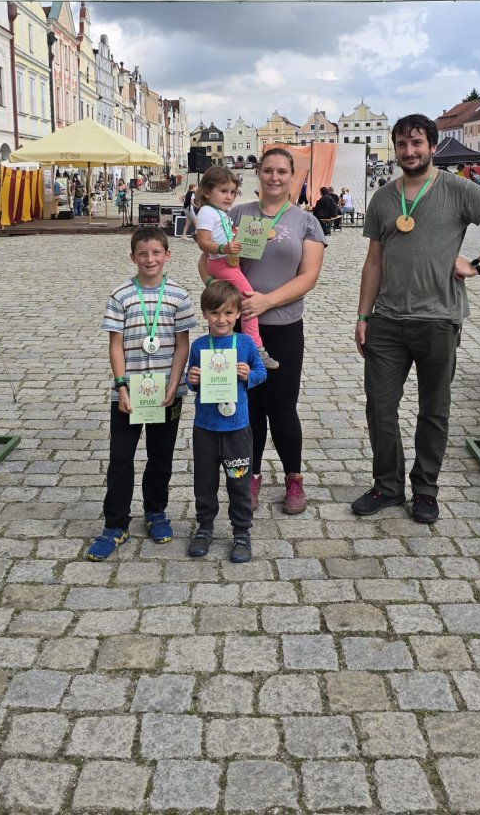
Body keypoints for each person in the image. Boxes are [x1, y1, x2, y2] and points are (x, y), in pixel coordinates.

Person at [354, 113, 480, 525]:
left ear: (432, 146)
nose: (409, 151)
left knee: (434, 409)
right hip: (387, 320)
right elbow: (373, 262)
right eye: (402, 144)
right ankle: (387, 486)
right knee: (380, 407)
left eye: (417, 143)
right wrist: (363, 315)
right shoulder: (383, 198)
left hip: (439, 319)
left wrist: (478, 265)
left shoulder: (459, 189)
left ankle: (425, 490)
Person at [201, 148, 326, 515]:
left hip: (283, 326)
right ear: (259, 174)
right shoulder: (236, 214)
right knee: (249, 407)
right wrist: (226, 302)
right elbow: (207, 262)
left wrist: (266, 301)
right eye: (268, 170)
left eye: (282, 171)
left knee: (283, 407)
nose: (274, 177)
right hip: (239, 330)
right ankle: (250, 477)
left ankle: (293, 479)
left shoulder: (306, 221)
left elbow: (309, 276)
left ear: (292, 176)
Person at [87, 226, 196, 559]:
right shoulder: (121, 295)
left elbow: (182, 344)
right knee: (121, 459)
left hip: (166, 392)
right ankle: (115, 525)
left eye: (156, 253)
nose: (150, 259)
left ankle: (156, 512)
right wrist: (121, 386)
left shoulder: (178, 295)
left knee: (161, 456)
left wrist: (174, 384)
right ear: (133, 257)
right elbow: (115, 344)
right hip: (129, 393)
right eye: (143, 254)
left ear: (167, 255)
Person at [186, 280, 267, 563]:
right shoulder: (199, 346)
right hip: (206, 428)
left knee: (239, 482)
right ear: (205, 314)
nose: (222, 319)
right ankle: (204, 527)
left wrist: (248, 375)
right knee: (204, 482)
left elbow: (261, 372)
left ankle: (242, 532)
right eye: (215, 313)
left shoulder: (244, 344)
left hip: (237, 428)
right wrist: (192, 380)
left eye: (228, 313)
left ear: (238, 314)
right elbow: (191, 380)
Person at [195, 166, 279, 370]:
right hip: (222, 264)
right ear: (207, 192)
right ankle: (256, 346)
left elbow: (227, 235)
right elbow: (203, 242)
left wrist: (253, 238)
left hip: (228, 262)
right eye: (223, 191)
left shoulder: (220, 213)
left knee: (237, 302)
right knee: (249, 301)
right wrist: (223, 248)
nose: (229, 197)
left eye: (232, 192)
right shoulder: (207, 212)